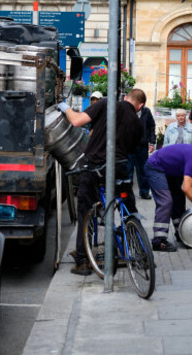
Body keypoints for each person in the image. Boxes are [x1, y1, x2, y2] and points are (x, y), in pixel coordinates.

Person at [58, 88, 145, 275]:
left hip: (95, 168)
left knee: (86, 210)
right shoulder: (137, 124)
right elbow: (131, 149)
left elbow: (76, 121)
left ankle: (82, 260)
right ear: (140, 106)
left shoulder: (106, 104)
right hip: (119, 169)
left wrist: (64, 107)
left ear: (126, 97)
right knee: (129, 209)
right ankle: (141, 253)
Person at [127, 103, 156, 199]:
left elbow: (152, 126)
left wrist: (152, 142)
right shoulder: (128, 110)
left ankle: (144, 191)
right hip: (129, 145)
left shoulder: (146, 111)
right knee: (129, 170)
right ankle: (128, 193)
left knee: (143, 169)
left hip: (142, 145)